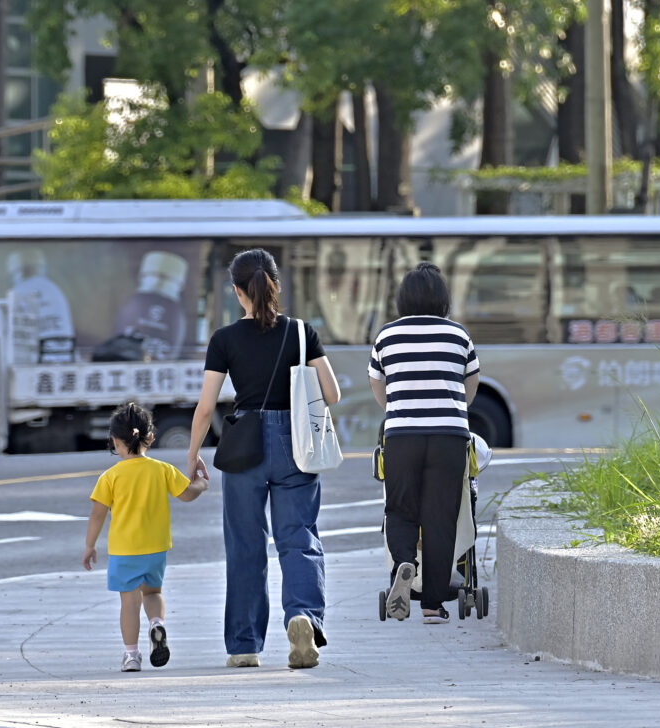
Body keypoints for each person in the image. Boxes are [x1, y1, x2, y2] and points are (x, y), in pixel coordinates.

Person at [185, 248, 341, 669]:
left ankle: (243, 645)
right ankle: (303, 616)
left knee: (246, 544)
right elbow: (331, 394)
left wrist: (193, 453)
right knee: (299, 538)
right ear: (276, 284)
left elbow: (205, 407)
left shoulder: (225, 340)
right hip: (296, 443)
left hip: (244, 445)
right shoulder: (300, 332)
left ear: (238, 291)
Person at [368, 262, 481, 625]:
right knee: (441, 518)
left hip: (402, 435)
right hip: (450, 436)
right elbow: (471, 384)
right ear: (442, 298)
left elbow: (378, 385)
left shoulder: (386, 336)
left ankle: (404, 560)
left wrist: (400, 410)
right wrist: (451, 410)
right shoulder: (458, 335)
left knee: (400, 509)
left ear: (403, 298)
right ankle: (433, 605)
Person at [83, 402, 209, 672]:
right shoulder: (161, 469)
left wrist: (90, 545)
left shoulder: (110, 476)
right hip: (156, 548)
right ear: (150, 437)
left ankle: (131, 655)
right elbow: (187, 494)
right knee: (153, 593)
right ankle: (157, 624)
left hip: (124, 551)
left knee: (129, 602)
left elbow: (97, 514)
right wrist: (201, 482)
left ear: (115, 441)